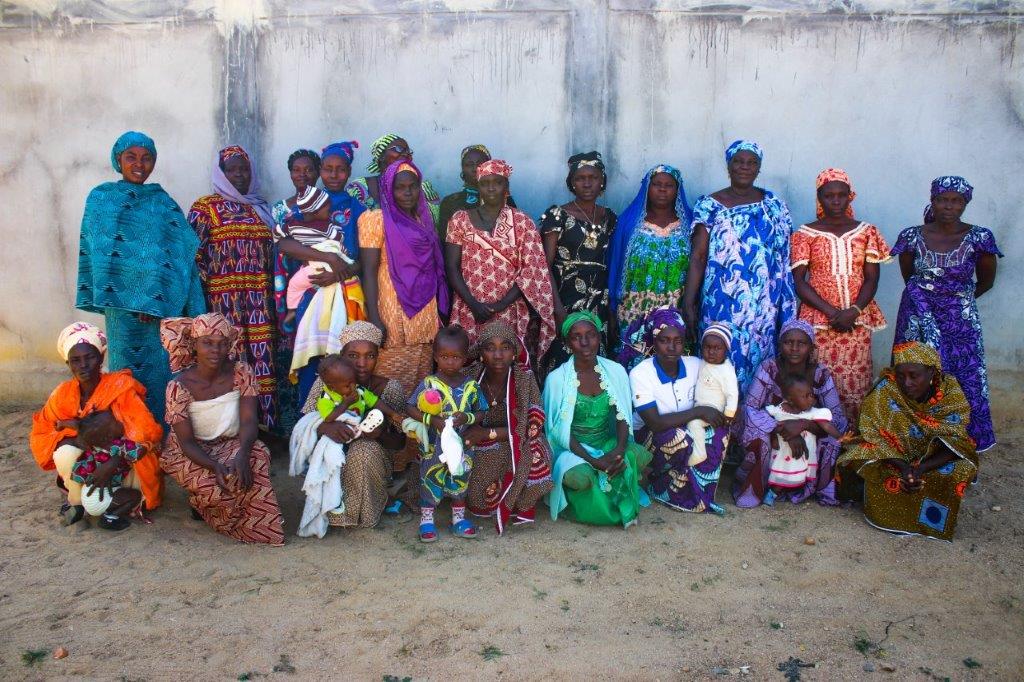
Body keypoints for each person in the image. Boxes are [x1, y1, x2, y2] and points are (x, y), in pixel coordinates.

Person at [76, 131, 205, 423]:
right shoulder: (101, 199)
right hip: (120, 310)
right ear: (118, 160)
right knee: (125, 373)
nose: (139, 164)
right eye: (131, 157)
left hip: (157, 310)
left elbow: (180, 251)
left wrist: (153, 301)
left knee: (161, 373)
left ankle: (161, 434)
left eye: (147, 158)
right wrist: (133, 297)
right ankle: (129, 435)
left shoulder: (163, 203)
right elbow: (99, 250)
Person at [891, 176, 1002, 452]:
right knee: (913, 375)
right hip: (917, 317)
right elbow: (910, 278)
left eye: (956, 201)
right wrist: (927, 305)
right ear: (932, 201)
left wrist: (958, 303)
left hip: (960, 322)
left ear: (965, 204)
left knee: (964, 376)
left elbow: (986, 281)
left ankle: (960, 445)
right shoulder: (911, 236)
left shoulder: (980, 238)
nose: (948, 206)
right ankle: (913, 443)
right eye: (942, 200)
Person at [159, 313, 285, 546]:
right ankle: (201, 504)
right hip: (190, 452)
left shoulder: (241, 372)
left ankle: (260, 529)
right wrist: (214, 466)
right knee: (219, 490)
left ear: (230, 345)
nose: (215, 350)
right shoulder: (179, 387)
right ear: (194, 345)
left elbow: (249, 421)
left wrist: (242, 455)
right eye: (207, 342)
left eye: (222, 343)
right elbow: (186, 443)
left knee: (257, 458)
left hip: (230, 442)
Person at [683, 140, 796, 393]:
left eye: (752, 162)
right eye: (739, 161)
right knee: (719, 353)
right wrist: (689, 302)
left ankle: (754, 411)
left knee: (760, 356)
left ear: (759, 168)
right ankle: (717, 411)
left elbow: (783, 257)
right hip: (720, 300)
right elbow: (698, 256)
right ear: (729, 165)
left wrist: (783, 305)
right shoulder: (710, 205)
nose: (745, 167)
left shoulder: (774, 206)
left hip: (763, 304)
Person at [837, 342, 978, 541]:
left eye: (914, 376)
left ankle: (926, 514)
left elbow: (957, 440)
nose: (906, 383)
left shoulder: (950, 393)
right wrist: (904, 468)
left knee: (962, 467)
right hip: (892, 458)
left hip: (930, 461)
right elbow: (871, 434)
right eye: (901, 375)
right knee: (860, 456)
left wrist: (920, 468)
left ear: (931, 372)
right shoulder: (886, 389)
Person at [30, 322, 164, 528]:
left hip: (127, 466)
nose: (83, 365)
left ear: (101, 358)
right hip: (90, 464)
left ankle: (119, 501)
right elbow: (44, 434)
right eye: (76, 360)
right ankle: (77, 502)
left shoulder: (120, 387)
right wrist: (82, 439)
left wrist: (112, 464)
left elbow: (147, 434)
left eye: (90, 357)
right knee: (64, 453)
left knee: (132, 472)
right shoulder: (62, 395)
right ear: (68, 364)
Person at [188, 145, 278, 428]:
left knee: (262, 361)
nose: (239, 175)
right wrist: (202, 303)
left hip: (260, 302)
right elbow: (193, 257)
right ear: (221, 173)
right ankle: (229, 429)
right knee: (227, 360)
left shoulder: (260, 208)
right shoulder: (205, 208)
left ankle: (264, 427)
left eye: (244, 169)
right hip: (223, 303)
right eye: (232, 169)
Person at [792, 168, 891, 423]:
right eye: (829, 196)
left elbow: (872, 278)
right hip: (819, 319)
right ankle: (823, 435)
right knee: (820, 377)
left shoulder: (866, 232)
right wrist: (832, 313)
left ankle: (855, 435)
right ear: (819, 198)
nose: (835, 201)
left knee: (857, 379)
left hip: (857, 318)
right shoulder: (805, 234)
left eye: (841, 195)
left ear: (850, 196)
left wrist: (853, 311)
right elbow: (799, 281)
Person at [276, 141, 366, 405]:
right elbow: (284, 244)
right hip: (311, 293)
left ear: (349, 172)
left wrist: (338, 274)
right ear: (320, 171)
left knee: (343, 355)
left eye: (341, 169)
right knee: (312, 356)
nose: (334, 175)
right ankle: (310, 414)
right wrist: (327, 258)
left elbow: (365, 258)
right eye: (328, 169)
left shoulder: (359, 210)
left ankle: (344, 414)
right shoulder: (307, 205)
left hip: (346, 295)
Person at [544, 311, 651, 527]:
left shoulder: (615, 371)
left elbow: (622, 416)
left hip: (607, 444)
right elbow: (558, 432)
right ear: (567, 343)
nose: (585, 342)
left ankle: (606, 484)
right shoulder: (556, 380)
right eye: (576, 337)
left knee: (638, 456)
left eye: (591, 335)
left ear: (599, 337)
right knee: (580, 478)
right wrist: (594, 461)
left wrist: (618, 450)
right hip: (573, 451)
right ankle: (578, 501)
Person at [299, 321, 409, 529]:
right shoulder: (325, 383)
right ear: (341, 355)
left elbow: (400, 443)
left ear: (378, 357)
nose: (362, 363)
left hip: (373, 462)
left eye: (370, 356)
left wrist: (378, 435)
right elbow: (304, 425)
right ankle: (337, 508)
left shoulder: (389, 388)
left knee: (363, 450)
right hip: (333, 457)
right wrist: (327, 427)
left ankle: (364, 510)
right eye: (353, 355)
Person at [446, 159, 556, 361]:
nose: (491, 188)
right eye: (484, 183)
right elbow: (452, 267)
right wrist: (473, 304)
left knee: (505, 360)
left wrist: (501, 304)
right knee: (470, 360)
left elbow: (531, 270)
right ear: (478, 186)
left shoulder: (523, 222)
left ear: (507, 187)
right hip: (469, 306)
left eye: (497, 182)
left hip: (509, 308)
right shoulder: (459, 220)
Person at [622, 308, 727, 515]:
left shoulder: (695, 365)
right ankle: (662, 487)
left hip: (686, 426)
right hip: (648, 434)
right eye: (664, 340)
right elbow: (655, 423)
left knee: (719, 430)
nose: (671, 347)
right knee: (679, 438)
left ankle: (701, 492)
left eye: (678, 341)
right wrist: (699, 411)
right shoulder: (641, 373)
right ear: (654, 341)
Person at [734, 320, 848, 507]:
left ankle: (814, 487)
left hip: (810, 430)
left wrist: (804, 425)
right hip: (773, 429)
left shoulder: (820, 374)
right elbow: (750, 408)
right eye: (788, 342)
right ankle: (756, 489)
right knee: (757, 435)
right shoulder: (769, 368)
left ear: (811, 348)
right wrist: (784, 430)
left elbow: (836, 417)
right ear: (780, 345)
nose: (794, 348)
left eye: (801, 343)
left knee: (832, 440)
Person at [359, 160, 448, 397]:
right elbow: (368, 270)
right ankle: (391, 420)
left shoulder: (423, 219)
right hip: (392, 306)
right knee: (389, 378)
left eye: (413, 186)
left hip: (424, 308)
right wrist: (374, 317)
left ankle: (413, 420)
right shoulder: (375, 219)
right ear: (388, 189)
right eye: (400, 187)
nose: (407, 193)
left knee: (421, 376)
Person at [464, 321, 554, 533]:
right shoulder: (470, 376)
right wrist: (478, 435)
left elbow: (533, 424)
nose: (498, 355)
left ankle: (520, 502)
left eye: (505, 348)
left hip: (517, 441)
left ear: (514, 353)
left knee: (537, 450)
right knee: (475, 471)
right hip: (479, 443)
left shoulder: (524, 378)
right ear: (480, 353)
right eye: (490, 348)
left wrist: (488, 433)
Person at [406, 326, 488, 542]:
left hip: (462, 446)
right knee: (430, 478)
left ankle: (458, 518)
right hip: (434, 446)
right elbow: (410, 407)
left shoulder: (471, 386)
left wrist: (467, 418)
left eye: (456, 357)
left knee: (460, 477)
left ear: (465, 358)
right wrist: (432, 420)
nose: (450, 362)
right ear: (435, 357)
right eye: (444, 357)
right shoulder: (429, 384)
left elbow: (482, 411)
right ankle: (426, 520)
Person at [540, 151, 617, 375]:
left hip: (599, 299)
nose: (587, 183)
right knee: (564, 353)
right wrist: (556, 308)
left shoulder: (609, 217)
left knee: (595, 354)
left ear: (602, 181)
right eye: (580, 178)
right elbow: (544, 265)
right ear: (571, 183)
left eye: (593, 177)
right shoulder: (558, 215)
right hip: (565, 297)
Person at [607, 165, 692, 353]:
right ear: (647, 187)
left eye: (669, 185)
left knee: (672, 359)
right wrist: (611, 308)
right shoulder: (628, 223)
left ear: (677, 190)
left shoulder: (690, 224)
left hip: (676, 311)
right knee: (635, 360)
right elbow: (614, 264)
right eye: (656, 184)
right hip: (634, 311)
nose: (662, 189)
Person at [762, 374, 842, 505]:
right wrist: (774, 435)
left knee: (799, 475)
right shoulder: (777, 410)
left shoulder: (812, 412)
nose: (811, 399)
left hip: (803, 456)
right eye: (806, 396)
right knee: (781, 477)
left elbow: (826, 426)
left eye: (811, 394)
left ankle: (796, 492)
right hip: (783, 456)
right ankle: (772, 494)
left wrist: (840, 437)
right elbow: (768, 422)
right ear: (790, 400)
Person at [68, 411, 146, 528]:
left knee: (122, 494)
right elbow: (139, 453)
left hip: (88, 495)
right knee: (135, 496)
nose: (120, 422)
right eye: (115, 422)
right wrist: (148, 444)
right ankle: (110, 517)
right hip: (100, 498)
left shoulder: (93, 447)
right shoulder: (117, 445)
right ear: (109, 436)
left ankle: (85, 510)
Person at [346, 133, 440, 218]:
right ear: (381, 156)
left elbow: (432, 224)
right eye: (398, 149)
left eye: (408, 151)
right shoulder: (360, 188)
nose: (406, 154)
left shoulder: (422, 188)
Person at [437, 144, 518, 242]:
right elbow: (444, 241)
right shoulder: (450, 202)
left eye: (480, 164)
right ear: (462, 169)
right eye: (469, 164)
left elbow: (515, 236)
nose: (475, 168)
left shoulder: (505, 200)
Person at [685, 323, 738, 469]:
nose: (711, 352)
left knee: (693, 423)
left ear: (726, 350)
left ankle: (699, 452)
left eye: (717, 348)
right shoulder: (702, 362)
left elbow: (732, 394)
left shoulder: (726, 371)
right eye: (707, 347)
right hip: (699, 406)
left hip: (713, 411)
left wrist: (729, 415)